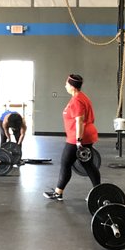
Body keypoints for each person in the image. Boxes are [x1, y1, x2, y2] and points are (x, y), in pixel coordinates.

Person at [44, 73, 100, 201]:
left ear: (72, 86)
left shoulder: (77, 100)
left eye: (66, 84)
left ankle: (58, 193)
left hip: (77, 138)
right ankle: (97, 192)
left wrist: (78, 141)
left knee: (65, 163)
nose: (65, 86)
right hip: (83, 135)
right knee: (88, 165)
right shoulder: (81, 97)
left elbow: (79, 121)